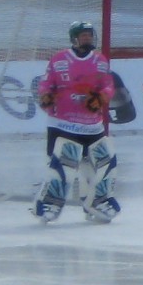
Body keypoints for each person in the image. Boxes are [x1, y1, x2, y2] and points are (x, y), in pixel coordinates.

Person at [33, 19, 119, 224]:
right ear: (74, 38)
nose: (87, 38)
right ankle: (49, 203)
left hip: (92, 125)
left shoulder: (100, 60)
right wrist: (46, 96)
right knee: (64, 164)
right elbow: (46, 83)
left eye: (90, 35)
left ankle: (96, 201)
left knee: (102, 164)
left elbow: (108, 85)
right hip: (62, 123)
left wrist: (101, 98)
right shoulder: (59, 59)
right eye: (83, 36)